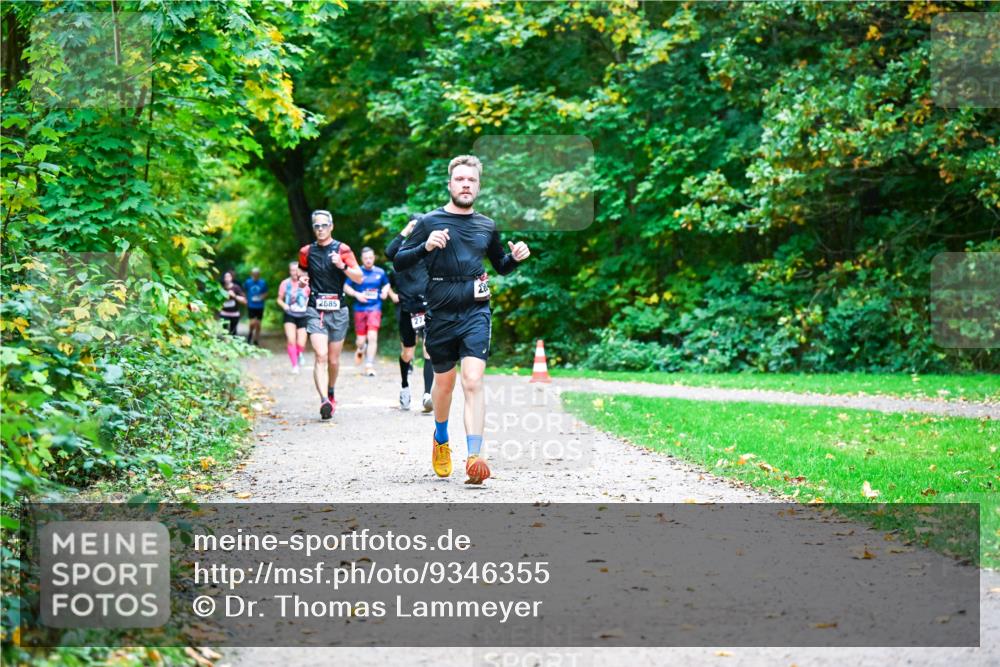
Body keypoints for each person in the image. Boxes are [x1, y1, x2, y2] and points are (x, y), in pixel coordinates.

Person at [394, 155, 531, 484]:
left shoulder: (486, 225)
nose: (465, 184)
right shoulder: (429, 222)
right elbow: (399, 260)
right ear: (450, 184)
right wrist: (425, 246)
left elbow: (499, 264)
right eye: (460, 180)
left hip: (476, 312)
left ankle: (474, 456)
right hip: (440, 313)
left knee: (473, 380)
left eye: (471, 180)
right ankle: (441, 438)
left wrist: (514, 258)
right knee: (445, 384)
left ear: (478, 186)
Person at [299, 210, 364, 420]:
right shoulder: (306, 251)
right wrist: (302, 280)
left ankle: (331, 391)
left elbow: (359, 277)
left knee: (334, 361)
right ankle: (323, 401)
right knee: (321, 355)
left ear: (331, 226)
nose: (320, 229)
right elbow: (302, 272)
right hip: (315, 309)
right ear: (313, 228)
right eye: (316, 226)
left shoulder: (342, 249)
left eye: (324, 225)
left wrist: (341, 265)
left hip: (338, 311)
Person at [386, 216, 434, 412]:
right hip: (407, 307)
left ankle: (427, 395)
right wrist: (406, 230)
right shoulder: (402, 251)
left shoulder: (429, 248)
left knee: (428, 349)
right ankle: (405, 386)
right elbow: (389, 252)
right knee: (408, 352)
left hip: (427, 305)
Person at [344, 247, 393, 377]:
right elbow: (346, 286)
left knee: (372, 337)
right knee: (360, 340)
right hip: (360, 309)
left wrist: (384, 291)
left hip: (374, 308)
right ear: (362, 259)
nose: (368, 260)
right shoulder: (357, 272)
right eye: (366, 258)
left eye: (370, 258)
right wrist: (356, 294)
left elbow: (386, 284)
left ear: (374, 258)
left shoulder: (380, 272)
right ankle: (361, 348)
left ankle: (369, 365)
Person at [277, 261, 310, 374]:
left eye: (296, 270)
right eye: (292, 270)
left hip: (303, 315)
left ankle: (299, 353)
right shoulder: (285, 283)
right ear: (289, 271)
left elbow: (312, 297)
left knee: (301, 343)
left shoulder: (307, 282)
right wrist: (284, 305)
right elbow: (279, 299)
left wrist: (308, 304)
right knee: (291, 340)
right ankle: (295, 365)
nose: (294, 272)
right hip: (290, 314)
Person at [243, 268, 268, 346]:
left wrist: (262, 297)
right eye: (254, 274)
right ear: (251, 274)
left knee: (258, 324)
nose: (255, 276)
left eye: (257, 274)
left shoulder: (263, 282)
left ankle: (256, 339)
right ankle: (250, 333)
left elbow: (266, 293)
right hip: (251, 305)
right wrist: (245, 299)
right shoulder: (248, 282)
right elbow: (243, 290)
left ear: (259, 275)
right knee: (252, 322)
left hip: (260, 306)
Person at [219, 270, 247, 336]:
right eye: (225, 277)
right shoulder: (220, 288)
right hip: (224, 313)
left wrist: (234, 296)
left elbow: (244, 301)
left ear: (232, 278)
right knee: (224, 333)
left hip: (234, 314)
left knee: (233, 333)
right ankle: (226, 344)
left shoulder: (236, 287)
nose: (227, 278)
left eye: (228, 276)